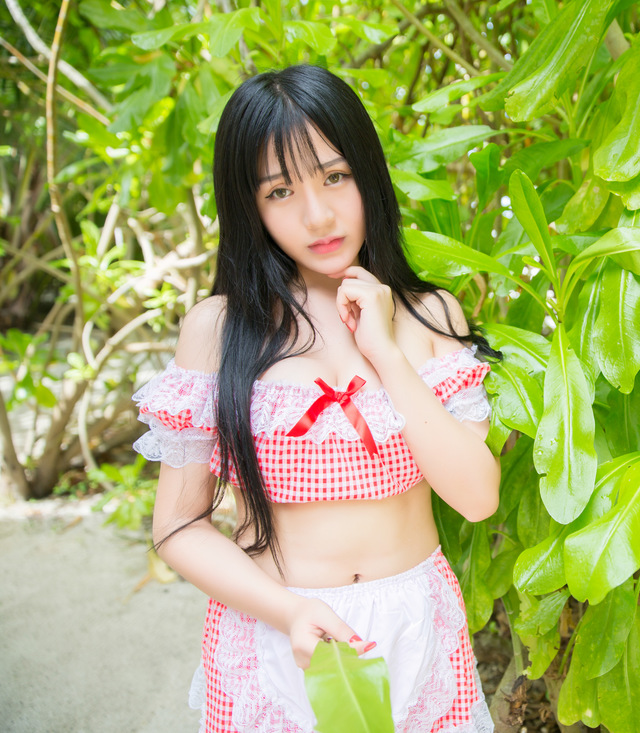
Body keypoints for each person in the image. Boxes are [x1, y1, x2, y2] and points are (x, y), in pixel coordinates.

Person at [133, 64, 499, 733]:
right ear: (249, 206)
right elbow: (178, 526)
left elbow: (477, 498)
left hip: (417, 628)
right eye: (280, 191)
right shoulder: (218, 332)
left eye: (335, 176)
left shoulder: (429, 315)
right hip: (277, 633)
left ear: (368, 174)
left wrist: (387, 353)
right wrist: (289, 612)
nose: (318, 215)